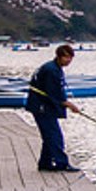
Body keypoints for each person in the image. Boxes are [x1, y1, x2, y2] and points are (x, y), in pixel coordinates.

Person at [24, 43, 82, 171]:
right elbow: (53, 93)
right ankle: (62, 163)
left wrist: (66, 103)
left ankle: (45, 163)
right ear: (59, 56)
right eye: (66, 58)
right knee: (54, 136)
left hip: (43, 105)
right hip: (41, 106)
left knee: (49, 135)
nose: (68, 61)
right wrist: (70, 105)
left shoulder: (55, 67)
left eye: (70, 58)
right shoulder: (51, 70)